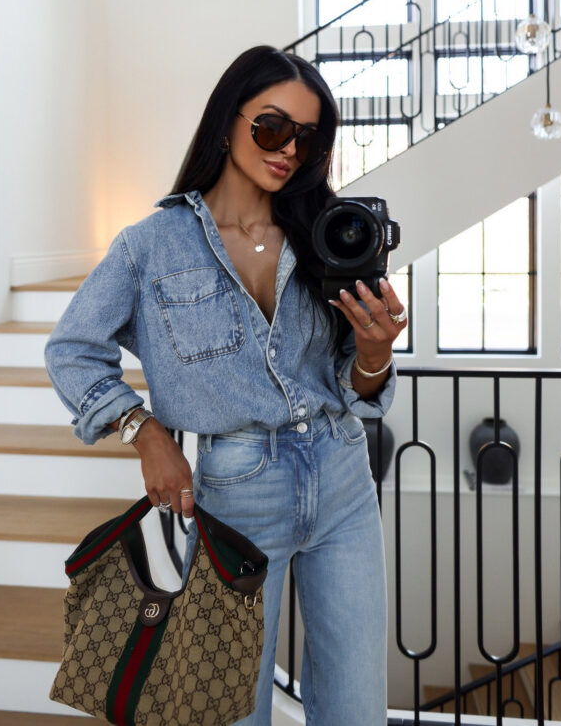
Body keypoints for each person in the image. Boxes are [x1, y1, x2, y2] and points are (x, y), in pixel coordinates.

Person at [44, 44, 407, 726]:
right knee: (230, 710)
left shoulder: (325, 235)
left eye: (307, 138)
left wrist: (374, 353)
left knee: (358, 707)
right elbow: (71, 349)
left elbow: (354, 384)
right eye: (272, 127)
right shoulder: (152, 244)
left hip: (342, 476)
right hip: (233, 496)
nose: (289, 149)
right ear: (227, 122)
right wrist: (144, 432)